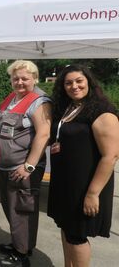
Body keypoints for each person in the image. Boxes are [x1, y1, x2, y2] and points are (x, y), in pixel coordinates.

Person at [48, 65, 119, 267]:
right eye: (68, 82)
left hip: (86, 185)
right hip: (65, 182)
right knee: (66, 228)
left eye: (79, 81)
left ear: (89, 81)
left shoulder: (101, 112)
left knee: (77, 236)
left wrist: (93, 193)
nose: (74, 86)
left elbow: (111, 155)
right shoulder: (69, 107)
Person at [0, 60, 52, 267]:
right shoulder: (13, 98)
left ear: (35, 78)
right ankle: (21, 244)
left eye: (25, 78)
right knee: (13, 208)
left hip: (22, 168)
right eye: (15, 78)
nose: (20, 82)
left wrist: (29, 166)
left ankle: (20, 256)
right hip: (6, 166)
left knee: (21, 210)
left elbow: (43, 134)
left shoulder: (39, 101)